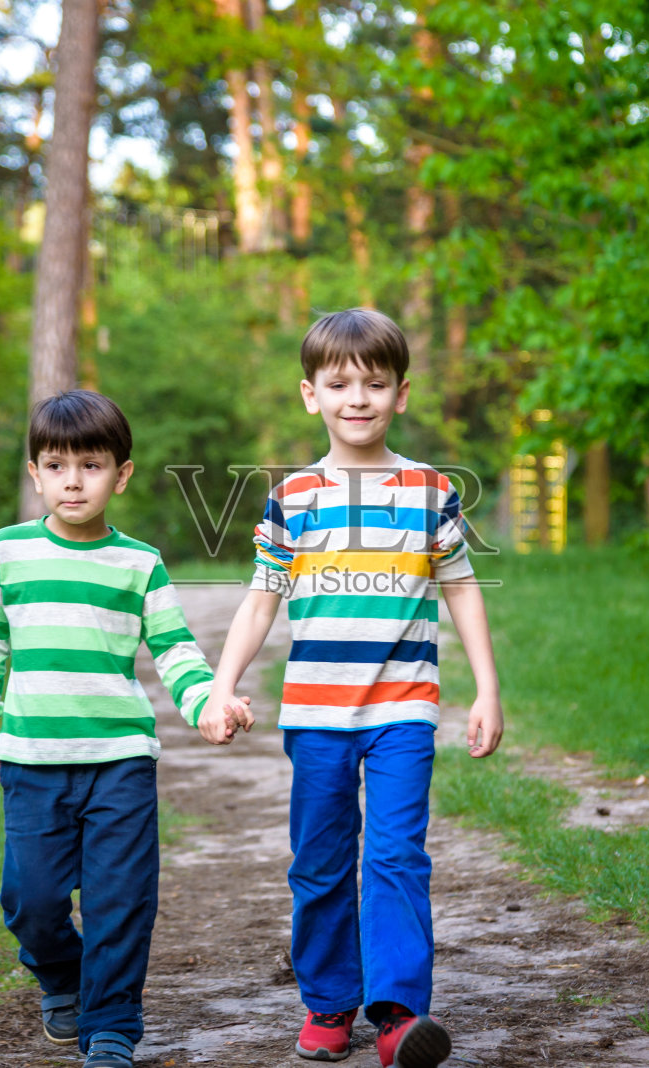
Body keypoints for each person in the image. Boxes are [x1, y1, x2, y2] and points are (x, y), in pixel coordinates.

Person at [196, 309, 505, 1068]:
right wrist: (219, 684)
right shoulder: (293, 498)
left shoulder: (431, 492)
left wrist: (487, 691)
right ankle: (329, 1001)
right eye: (339, 384)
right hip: (316, 714)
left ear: (403, 393)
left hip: (404, 708)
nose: (357, 398)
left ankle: (398, 1014)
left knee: (398, 855)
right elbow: (262, 599)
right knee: (321, 858)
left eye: (375, 383)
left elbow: (462, 591)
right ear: (311, 395)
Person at [0, 390, 250, 1068]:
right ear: (35, 473)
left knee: (121, 899)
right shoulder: (9, 552)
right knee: (29, 901)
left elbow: (175, 649)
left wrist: (207, 702)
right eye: (56, 465)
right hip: (32, 759)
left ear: (121, 474)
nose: (72, 480)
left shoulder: (139, 563)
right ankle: (64, 978)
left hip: (119, 760)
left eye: (91, 465)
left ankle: (112, 1025)